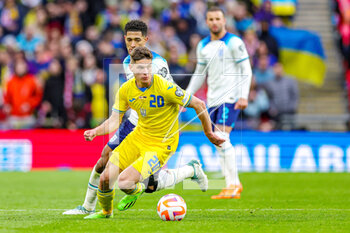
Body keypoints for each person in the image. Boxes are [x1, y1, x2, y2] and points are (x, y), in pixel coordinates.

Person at [63, 20, 208, 215]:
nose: (133, 44)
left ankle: (190, 170)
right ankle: (87, 206)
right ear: (124, 39)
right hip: (134, 123)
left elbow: (170, 93)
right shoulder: (127, 62)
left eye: (137, 40)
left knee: (150, 184)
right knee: (104, 158)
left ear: (146, 40)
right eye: (129, 40)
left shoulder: (157, 64)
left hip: (157, 129)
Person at [85, 47, 224, 219]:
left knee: (125, 182)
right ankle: (106, 213)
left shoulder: (165, 87)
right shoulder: (126, 90)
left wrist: (209, 133)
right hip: (138, 137)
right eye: (141, 68)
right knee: (105, 179)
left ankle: (138, 189)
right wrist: (95, 131)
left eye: (148, 67)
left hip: (160, 144)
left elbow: (199, 104)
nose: (145, 72)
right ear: (132, 69)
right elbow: (115, 120)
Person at [186, 6, 252, 199]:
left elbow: (246, 70)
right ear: (206, 22)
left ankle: (234, 184)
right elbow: (200, 74)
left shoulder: (234, 42)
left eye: (218, 18)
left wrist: (243, 95)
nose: (215, 22)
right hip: (212, 100)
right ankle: (230, 186)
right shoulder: (203, 45)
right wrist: (187, 97)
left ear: (224, 20)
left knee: (222, 137)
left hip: (230, 97)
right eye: (211, 19)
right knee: (218, 141)